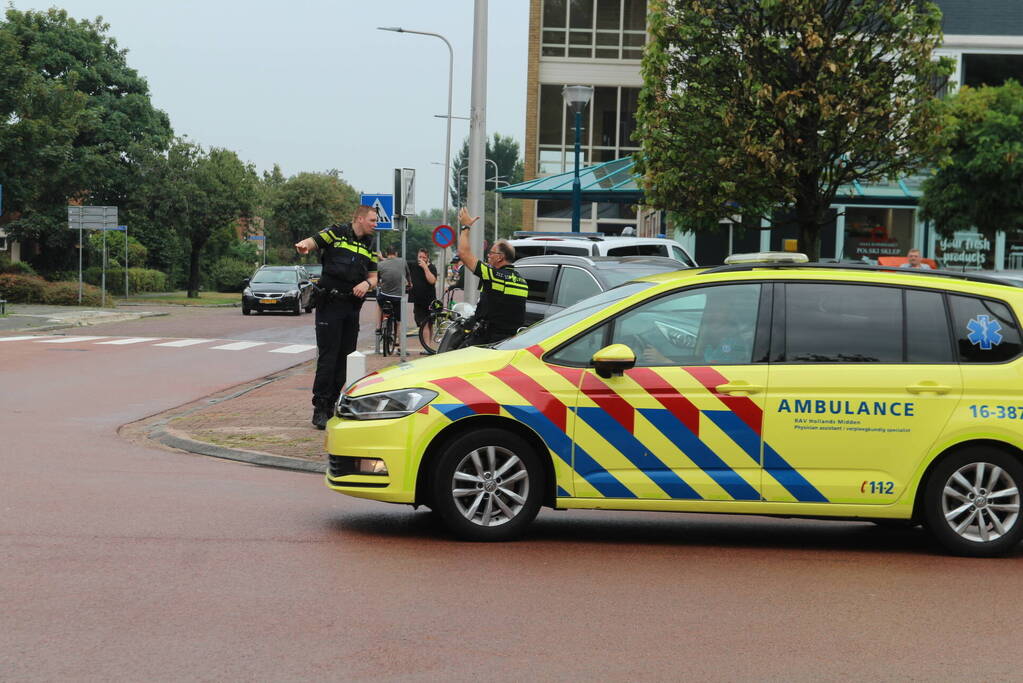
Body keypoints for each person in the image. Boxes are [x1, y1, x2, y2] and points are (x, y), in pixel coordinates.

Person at [294, 205, 379, 429]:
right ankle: (320, 407)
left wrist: (367, 283)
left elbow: (374, 276)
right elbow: (313, 241)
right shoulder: (336, 232)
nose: (375, 224)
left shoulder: (369, 244)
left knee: (345, 359)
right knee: (328, 358)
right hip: (329, 304)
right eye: (372, 220)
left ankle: (332, 404)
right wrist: (305, 246)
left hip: (351, 308)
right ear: (360, 218)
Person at [456, 207, 527, 344]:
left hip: (489, 339)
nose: (488, 256)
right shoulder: (521, 281)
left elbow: (464, 254)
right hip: (510, 340)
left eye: (491, 253)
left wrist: (466, 227)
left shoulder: (493, 275)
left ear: (500, 257)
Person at [375, 244, 408, 329]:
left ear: (386, 254)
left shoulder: (380, 264)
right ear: (396, 253)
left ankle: (378, 326)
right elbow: (408, 275)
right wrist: (410, 284)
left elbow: (377, 279)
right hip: (397, 297)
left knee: (379, 304)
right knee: (399, 321)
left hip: (384, 296)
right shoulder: (403, 262)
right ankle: (397, 339)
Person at [409, 248, 438, 332]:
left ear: (427, 258)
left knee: (430, 324)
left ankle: (427, 344)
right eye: (419, 257)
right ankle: (425, 344)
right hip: (418, 300)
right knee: (422, 323)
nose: (421, 259)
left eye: (423, 257)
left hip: (429, 300)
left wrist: (425, 267)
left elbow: (432, 281)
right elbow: (401, 264)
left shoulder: (432, 267)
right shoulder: (413, 265)